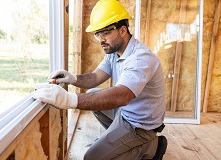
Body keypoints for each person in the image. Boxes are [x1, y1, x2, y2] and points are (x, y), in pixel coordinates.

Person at [33, 0, 167, 159]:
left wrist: (69, 99)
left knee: (91, 157)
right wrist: (72, 78)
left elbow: (121, 96)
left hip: (140, 125)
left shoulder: (140, 59)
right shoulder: (113, 52)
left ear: (122, 30)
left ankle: (152, 146)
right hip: (126, 113)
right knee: (93, 93)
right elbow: (96, 77)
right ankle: (119, 142)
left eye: (105, 32)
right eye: (97, 33)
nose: (100, 39)